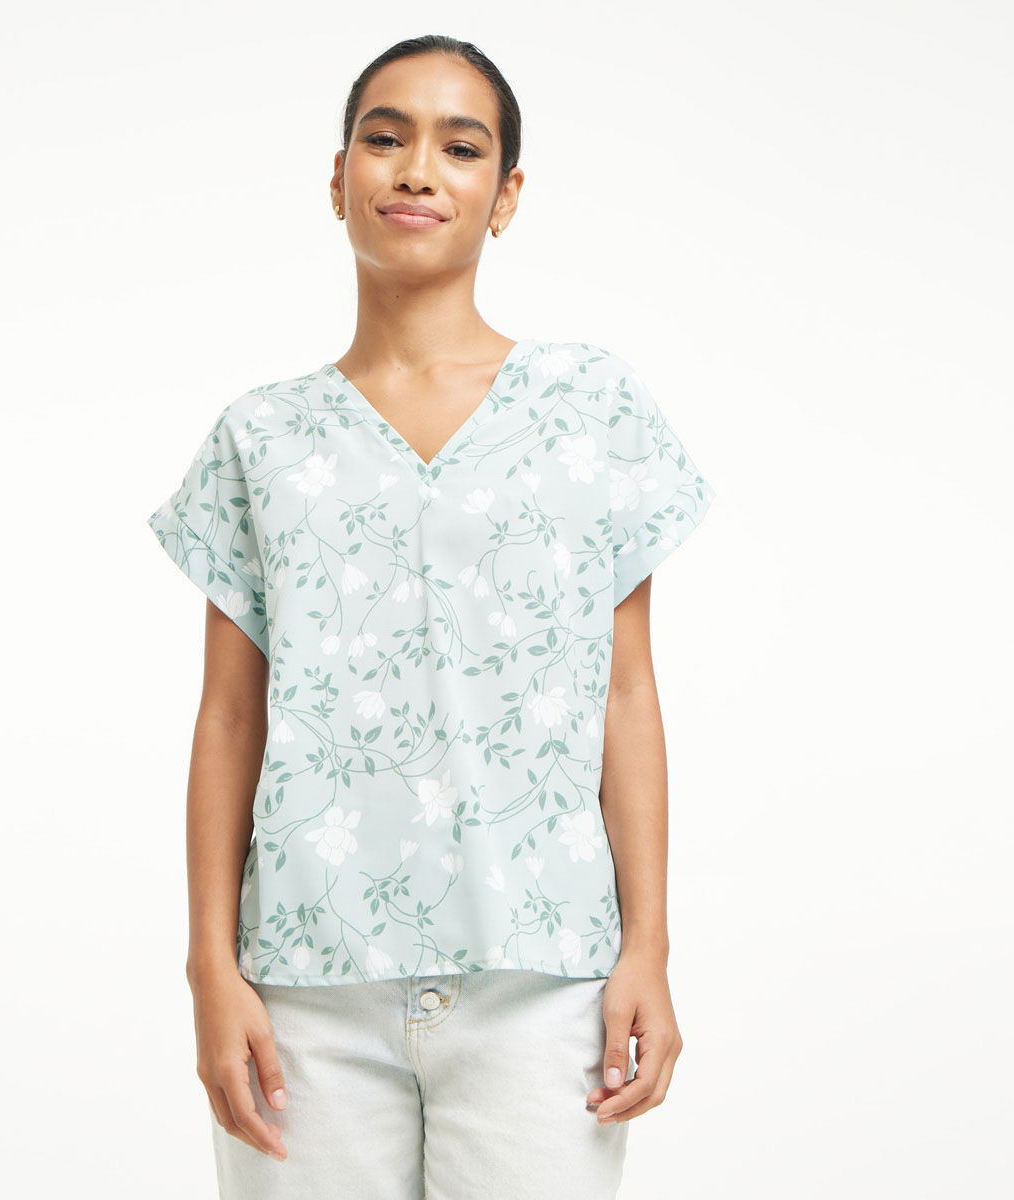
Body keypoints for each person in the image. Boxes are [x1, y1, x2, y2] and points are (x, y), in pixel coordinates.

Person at [146, 33, 716, 1200]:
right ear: (338, 177)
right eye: (386, 137)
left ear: (505, 195)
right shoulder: (263, 438)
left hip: (543, 983)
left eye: (461, 148)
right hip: (305, 988)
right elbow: (229, 718)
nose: (417, 170)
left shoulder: (590, 409)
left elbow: (626, 690)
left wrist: (648, 949)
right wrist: (212, 967)